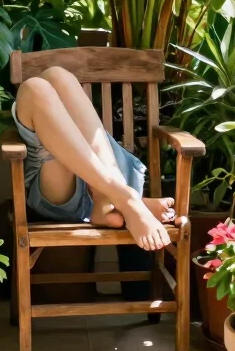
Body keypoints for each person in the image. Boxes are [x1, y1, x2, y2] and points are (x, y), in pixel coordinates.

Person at [13, 66, 175, 252]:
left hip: (106, 168)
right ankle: (126, 198)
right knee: (35, 87)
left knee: (56, 75)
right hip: (63, 189)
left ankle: (109, 200)